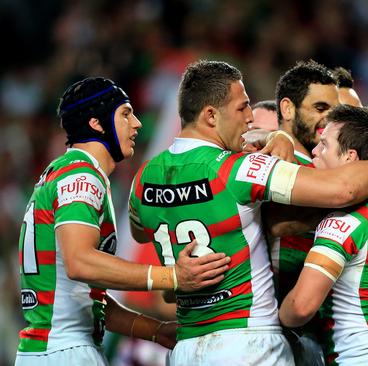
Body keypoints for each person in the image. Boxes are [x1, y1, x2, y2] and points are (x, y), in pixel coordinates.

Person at [128, 60, 368, 366]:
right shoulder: (237, 170)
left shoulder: (143, 178)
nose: (250, 117)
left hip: (186, 347)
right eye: (242, 107)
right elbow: (343, 190)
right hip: (249, 343)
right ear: (210, 115)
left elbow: (140, 231)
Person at [16, 77, 231, 365]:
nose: (137, 123)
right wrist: (173, 276)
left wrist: (156, 331)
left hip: (50, 349)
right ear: (97, 123)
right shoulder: (82, 178)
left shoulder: (61, 174)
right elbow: (80, 261)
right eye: (126, 113)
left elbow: (87, 299)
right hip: (65, 352)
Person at [279, 105, 368, 365]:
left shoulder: (345, 222)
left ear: (349, 157)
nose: (315, 151)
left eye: (324, 144)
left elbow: (301, 306)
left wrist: (270, 321)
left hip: (362, 358)